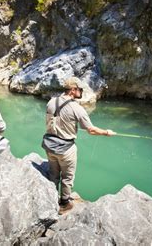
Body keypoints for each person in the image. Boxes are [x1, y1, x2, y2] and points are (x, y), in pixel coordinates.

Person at [42, 77, 116, 214]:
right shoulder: (77, 108)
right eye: (80, 89)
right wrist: (107, 132)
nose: (81, 92)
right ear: (73, 90)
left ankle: (50, 200)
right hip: (66, 149)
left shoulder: (51, 102)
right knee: (67, 178)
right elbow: (91, 130)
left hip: (50, 146)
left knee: (53, 174)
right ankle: (64, 204)